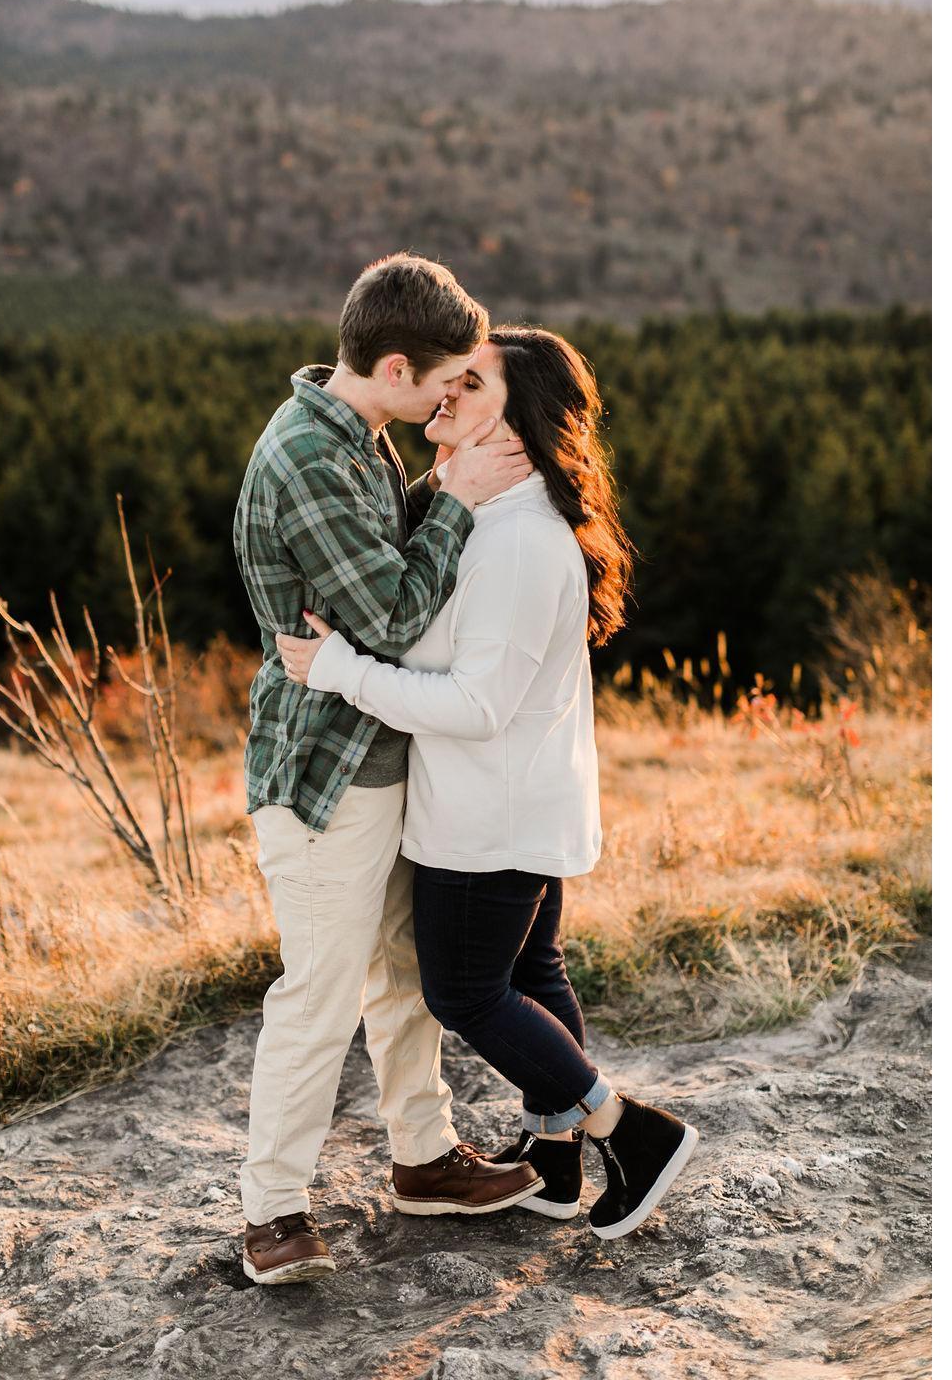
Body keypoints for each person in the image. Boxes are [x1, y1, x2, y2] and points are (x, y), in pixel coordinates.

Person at [278, 326, 700, 1241]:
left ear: (518, 420)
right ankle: (553, 1159)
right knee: (528, 969)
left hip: (489, 813)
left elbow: (476, 704)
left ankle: (632, 1133)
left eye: (471, 386)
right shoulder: (496, 517)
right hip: (511, 802)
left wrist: (339, 668)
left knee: (464, 992)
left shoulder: (516, 541)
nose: (446, 398)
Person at [232, 255, 545, 1287]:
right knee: (320, 992)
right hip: (326, 774)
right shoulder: (308, 460)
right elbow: (395, 618)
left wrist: (432, 491)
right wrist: (453, 496)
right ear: (396, 364)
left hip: (384, 758)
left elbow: (377, 563)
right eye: (446, 381)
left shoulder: (356, 431)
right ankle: (273, 1211)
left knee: (400, 975)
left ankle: (422, 1158)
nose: (453, 398)